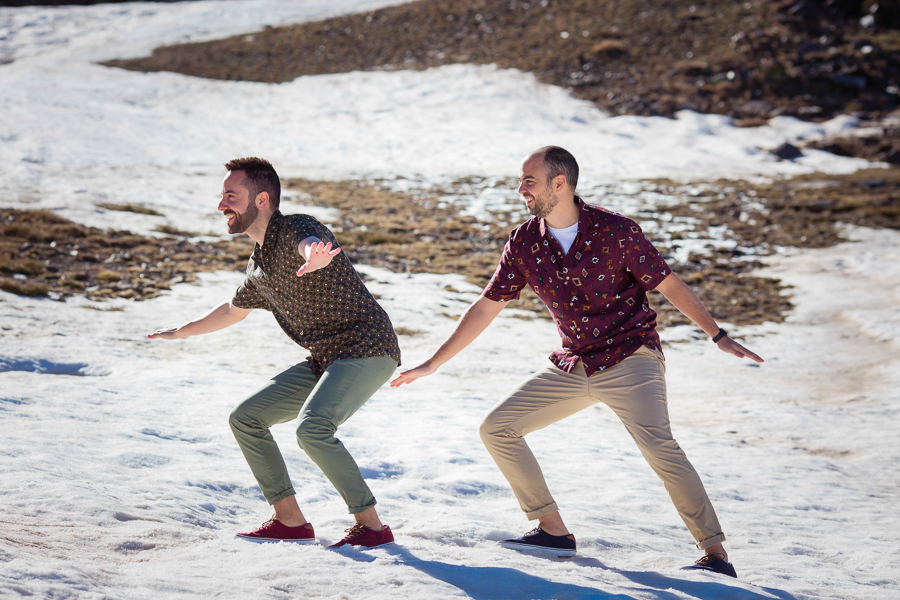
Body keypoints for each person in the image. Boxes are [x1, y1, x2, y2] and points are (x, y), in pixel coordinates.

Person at [390, 146, 762, 576]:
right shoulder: (525, 241)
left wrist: (717, 335)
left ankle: (715, 556)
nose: (521, 189)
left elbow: (669, 284)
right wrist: (434, 363)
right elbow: (486, 305)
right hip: (574, 364)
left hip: (630, 356)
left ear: (559, 183)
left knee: (660, 447)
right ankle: (553, 532)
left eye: (529, 180)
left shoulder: (616, 231)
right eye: (522, 180)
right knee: (498, 428)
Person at [149, 157, 401, 549]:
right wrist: (184, 332)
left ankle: (372, 528)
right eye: (222, 197)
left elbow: (310, 243)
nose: (222, 206)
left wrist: (314, 253)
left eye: (231, 197)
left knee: (313, 429)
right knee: (246, 418)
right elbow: (234, 310)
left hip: (366, 346)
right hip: (326, 358)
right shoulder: (258, 265)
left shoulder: (296, 227)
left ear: (262, 199)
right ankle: (290, 520)